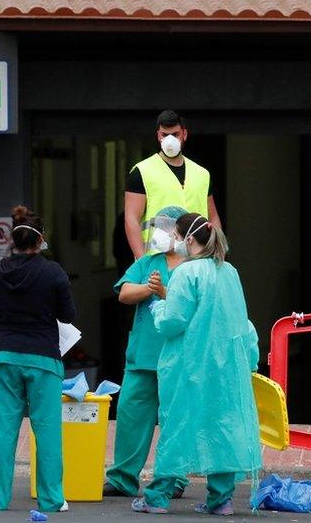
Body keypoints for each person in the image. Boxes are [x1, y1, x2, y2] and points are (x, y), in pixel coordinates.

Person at [132, 213, 260, 516]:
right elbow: (240, 321)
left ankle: (157, 497)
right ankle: (221, 500)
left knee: (178, 426)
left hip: (188, 367)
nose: (175, 242)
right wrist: (251, 359)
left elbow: (172, 323)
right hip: (226, 369)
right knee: (223, 427)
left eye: (177, 235)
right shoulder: (229, 272)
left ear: (189, 239)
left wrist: (158, 304)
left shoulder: (185, 274)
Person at [0, 206, 76, 513]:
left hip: (5, 357)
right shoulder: (53, 273)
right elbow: (67, 314)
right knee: (47, 431)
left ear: (12, 239)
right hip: (44, 360)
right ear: (40, 240)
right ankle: (51, 499)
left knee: (3, 430)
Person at [104, 206, 189, 499]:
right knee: (130, 416)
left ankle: (172, 479)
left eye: (169, 227)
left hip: (177, 356)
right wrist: (151, 289)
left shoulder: (194, 265)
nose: (162, 233)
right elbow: (125, 293)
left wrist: (165, 291)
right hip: (142, 356)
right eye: (159, 226)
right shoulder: (147, 262)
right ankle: (123, 478)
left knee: (174, 420)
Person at [123, 110, 221, 260]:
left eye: (175, 134)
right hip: (158, 261)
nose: (170, 140)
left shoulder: (202, 174)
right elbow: (131, 219)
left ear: (184, 134)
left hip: (197, 260)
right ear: (158, 136)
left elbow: (213, 218)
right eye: (164, 134)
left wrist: (217, 254)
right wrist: (142, 263)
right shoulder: (142, 172)